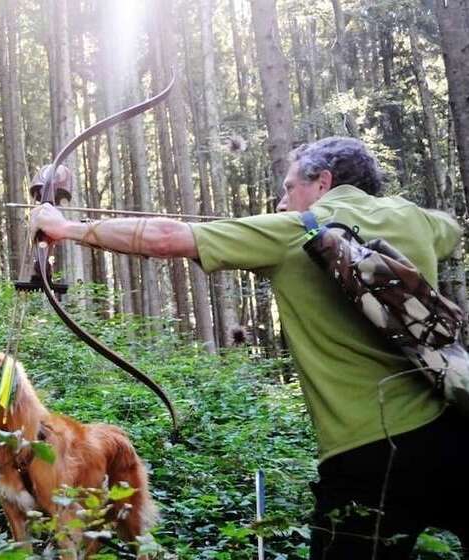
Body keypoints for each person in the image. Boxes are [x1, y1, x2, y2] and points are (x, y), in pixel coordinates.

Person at [29, 137, 469, 558]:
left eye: (289, 188)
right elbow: (449, 230)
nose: (281, 202)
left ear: (323, 182)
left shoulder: (294, 231)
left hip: (367, 455)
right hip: (451, 433)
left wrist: (65, 227)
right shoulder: (413, 219)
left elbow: (166, 238)